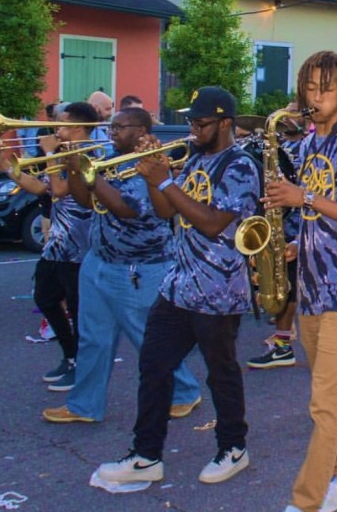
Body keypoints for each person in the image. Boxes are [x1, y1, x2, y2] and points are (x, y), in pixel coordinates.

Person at [95, 87, 261, 486]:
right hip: (178, 284)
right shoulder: (194, 158)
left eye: (200, 123)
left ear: (225, 123)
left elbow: (213, 223)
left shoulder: (240, 166)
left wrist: (166, 180)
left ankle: (233, 447)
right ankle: (146, 455)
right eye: (190, 122)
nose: (193, 130)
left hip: (218, 289)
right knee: (154, 366)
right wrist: (154, 175)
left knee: (220, 373)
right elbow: (164, 210)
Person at [264, 51, 337, 512]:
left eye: (326, 88)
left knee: (324, 404)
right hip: (311, 286)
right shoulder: (308, 144)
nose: (316, 97)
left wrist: (305, 198)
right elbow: (322, 215)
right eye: (310, 88)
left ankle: (307, 500)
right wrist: (297, 242)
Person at [42, 106, 201, 423]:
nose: (111, 132)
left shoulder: (148, 164)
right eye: (111, 127)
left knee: (147, 338)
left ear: (140, 131)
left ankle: (184, 392)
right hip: (99, 259)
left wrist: (91, 174)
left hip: (138, 267)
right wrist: (75, 169)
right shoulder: (109, 160)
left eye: (119, 127)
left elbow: (127, 208)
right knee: (92, 339)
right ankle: (84, 405)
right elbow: (86, 201)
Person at [0, 102, 98, 391]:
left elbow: (60, 189)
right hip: (58, 244)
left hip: (79, 246)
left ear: (78, 127)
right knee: (45, 297)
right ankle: (70, 355)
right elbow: (41, 188)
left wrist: (49, 153)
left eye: (61, 124)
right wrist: (5, 166)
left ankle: (82, 365)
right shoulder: (61, 153)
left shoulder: (87, 155)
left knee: (77, 308)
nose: (55, 129)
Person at [248, 106, 307, 370]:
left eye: (294, 111)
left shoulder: (309, 147)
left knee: (288, 284)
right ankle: (283, 341)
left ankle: (284, 345)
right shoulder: (280, 146)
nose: (288, 114)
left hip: (299, 224)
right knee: (283, 283)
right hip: (281, 221)